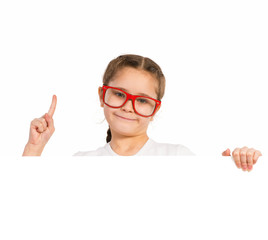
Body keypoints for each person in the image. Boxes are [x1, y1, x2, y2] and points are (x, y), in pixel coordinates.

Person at [22, 54, 262, 171]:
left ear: (155, 109)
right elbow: (31, 206)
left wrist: (233, 169)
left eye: (142, 100)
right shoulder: (81, 163)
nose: (128, 106)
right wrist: (34, 148)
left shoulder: (177, 158)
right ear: (101, 96)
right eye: (119, 94)